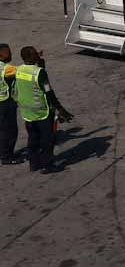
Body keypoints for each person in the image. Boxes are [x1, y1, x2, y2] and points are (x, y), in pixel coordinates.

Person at [12, 46, 74, 174]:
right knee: (47, 140)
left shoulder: (18, 70)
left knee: (33, 139)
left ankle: (34, 164)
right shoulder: (39, 72)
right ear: (33, 56)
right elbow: (48, 92)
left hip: (27, 113)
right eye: (36, 54)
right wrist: (61, 110)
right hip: (42, 113)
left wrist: (39, 65)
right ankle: (47, 165)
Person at [0, 43, 17, 165]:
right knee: (10, 131)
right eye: (7, 52)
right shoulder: (6, 68)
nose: (10, 53)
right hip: (5, 103)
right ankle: (7, 156)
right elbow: (22, 71)